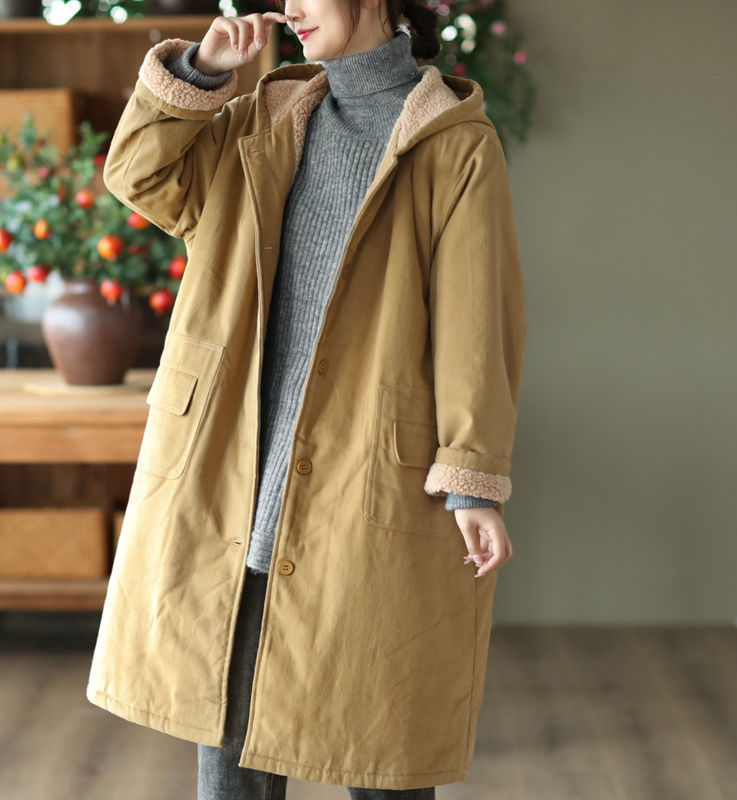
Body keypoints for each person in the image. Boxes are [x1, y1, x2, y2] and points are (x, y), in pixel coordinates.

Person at [86, 0, 527, 797]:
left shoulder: (455, 145)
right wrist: (199, 75)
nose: (289, 7)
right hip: (237, 477)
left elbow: (476, 326)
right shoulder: (261, 119)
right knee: (230, 756)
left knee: (382, 750)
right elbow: (139, 176)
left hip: (366, 485)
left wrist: (472, 480)